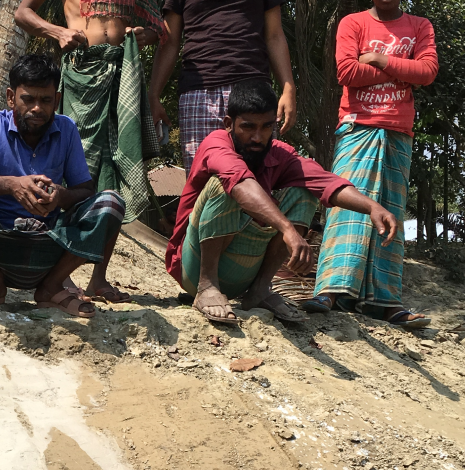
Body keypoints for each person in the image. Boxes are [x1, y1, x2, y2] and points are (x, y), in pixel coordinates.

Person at [13, 0, 166, 301]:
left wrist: (135, 37)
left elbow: (157, 28)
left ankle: (98, 277)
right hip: (77, 77)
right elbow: (24, 12)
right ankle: (59, 272)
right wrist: (58, 33)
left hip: (121, 80)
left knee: (113, 176)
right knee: (72, 171)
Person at [166, 79, 397, 325]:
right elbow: (240, 182)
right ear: (229, 124)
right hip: (193, 267)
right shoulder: (216, 142)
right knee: (224, 185)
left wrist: (373, 207)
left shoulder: (280, 154)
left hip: (243, 273)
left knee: (303, 190)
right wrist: (287, 229)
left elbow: (325, 182)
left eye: (266, 127)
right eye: (248, 127)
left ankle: (260, 291)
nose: (258, 137)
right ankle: (208, 286)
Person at [304, 0, 438, 330]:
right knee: (346, 204)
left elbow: (428, 71)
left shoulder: (420, 26)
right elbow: (346, 72)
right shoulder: (353, 23)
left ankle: (384, 301)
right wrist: (403, 71)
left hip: (398, 132)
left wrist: (379, 61)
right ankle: (330, 290)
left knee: (390, 212)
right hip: (356, 127)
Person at [0, 54, 127, 318]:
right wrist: (11, 185)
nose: (37, 108)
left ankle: (51, 287)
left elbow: (85, 192)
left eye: (46, 100)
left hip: (48, 247)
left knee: (111, 202)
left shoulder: (66, 129)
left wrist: (61, 196)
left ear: (56, 101)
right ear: (11, 97)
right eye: (28, 99)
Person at [149, 0, 295, 174]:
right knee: (204, 185)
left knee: (257, 184)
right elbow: (170, 41)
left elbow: (275, 36)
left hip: (253, 92)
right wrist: (153, 95)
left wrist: (289, 88)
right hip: (197, 95)